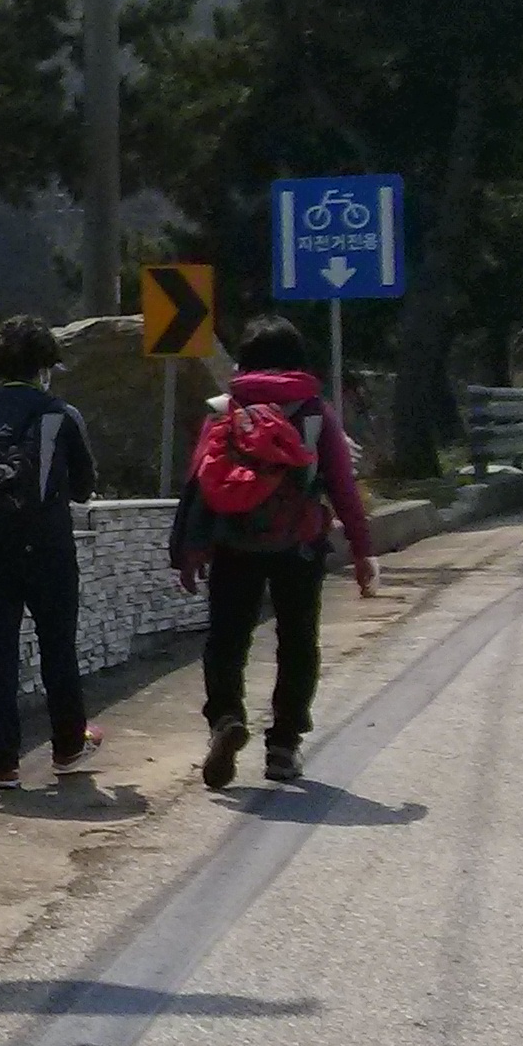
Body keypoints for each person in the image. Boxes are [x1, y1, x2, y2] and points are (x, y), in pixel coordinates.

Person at [173, 314, 378, 787]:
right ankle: (283, 746)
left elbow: (198, 483)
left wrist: (189, 548)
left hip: (233, 540)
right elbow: (343, 486)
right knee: (298, 641)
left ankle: (226, 717)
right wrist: (362, 550)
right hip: (299, 542)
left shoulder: (224, 408)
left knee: (227, 639)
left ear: (244, 360)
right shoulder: (315, 411)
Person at [0, 314, 100, 791]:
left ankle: (3, 763)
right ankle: (68, 746)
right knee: (58, 646)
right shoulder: (61, 414)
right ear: (44, 367)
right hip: (48, 548)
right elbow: (84, 488)